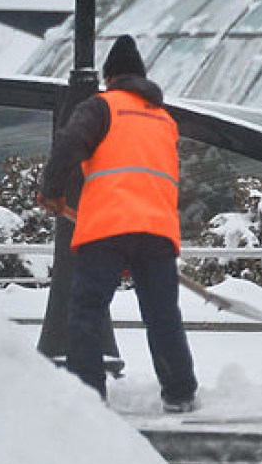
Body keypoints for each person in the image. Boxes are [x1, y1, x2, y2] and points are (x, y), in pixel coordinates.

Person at [38, 35, 198, 413]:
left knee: (87, 308)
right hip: (158, 229)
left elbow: (68, 144)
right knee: (162, 314)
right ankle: (181, 393)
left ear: (110, 77)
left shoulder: (102, 107)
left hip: (109, 225)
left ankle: (88, 397)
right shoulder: (165, 119)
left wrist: (53, 191)